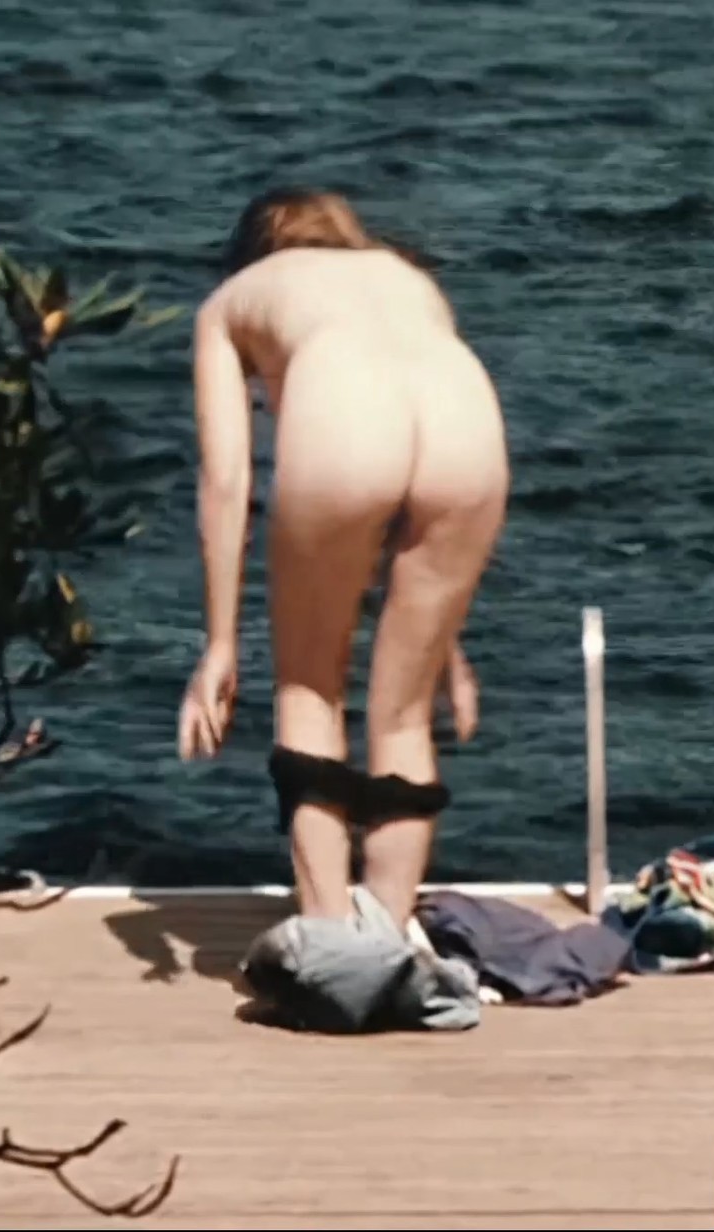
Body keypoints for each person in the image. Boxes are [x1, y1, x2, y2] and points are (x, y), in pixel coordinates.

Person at [177, 188, 510, 931]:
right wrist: (443, 644)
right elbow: (413, 439)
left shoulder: (233, 300)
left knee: (307, 690)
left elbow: (226, 482)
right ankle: (388, 936)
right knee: (403, 715)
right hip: (468, 422)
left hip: (345, 420)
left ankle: (330, 939)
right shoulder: (410, 280)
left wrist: (220, 644)